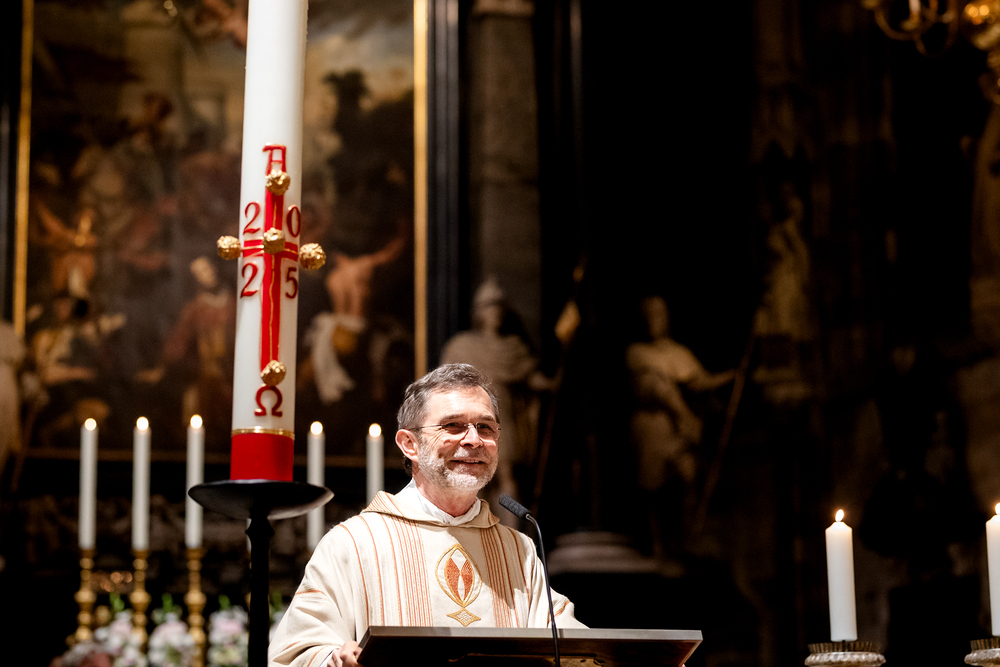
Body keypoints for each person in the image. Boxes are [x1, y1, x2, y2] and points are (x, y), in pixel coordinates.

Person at [269, 363, 585, 667]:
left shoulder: (518, 551)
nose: (473, 439)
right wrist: (333, 660)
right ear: (410, 444)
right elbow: (296, 652)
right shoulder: (353, 544)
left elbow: (576, 649)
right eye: (453, 425)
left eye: (485, 427)